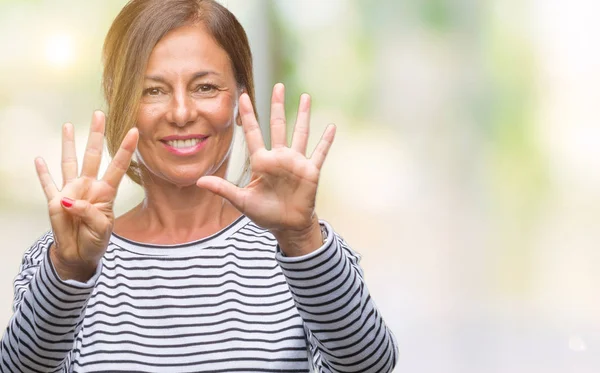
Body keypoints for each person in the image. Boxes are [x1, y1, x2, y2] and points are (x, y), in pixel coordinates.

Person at [0, 0, 398, 372]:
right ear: (121, 103)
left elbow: (370, 365)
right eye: (153, 90)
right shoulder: (66, 257)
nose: (181, 112)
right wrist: (70, 270)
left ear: (242, 97)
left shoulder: (306, 250)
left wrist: (301, 237)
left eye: (205, 87)